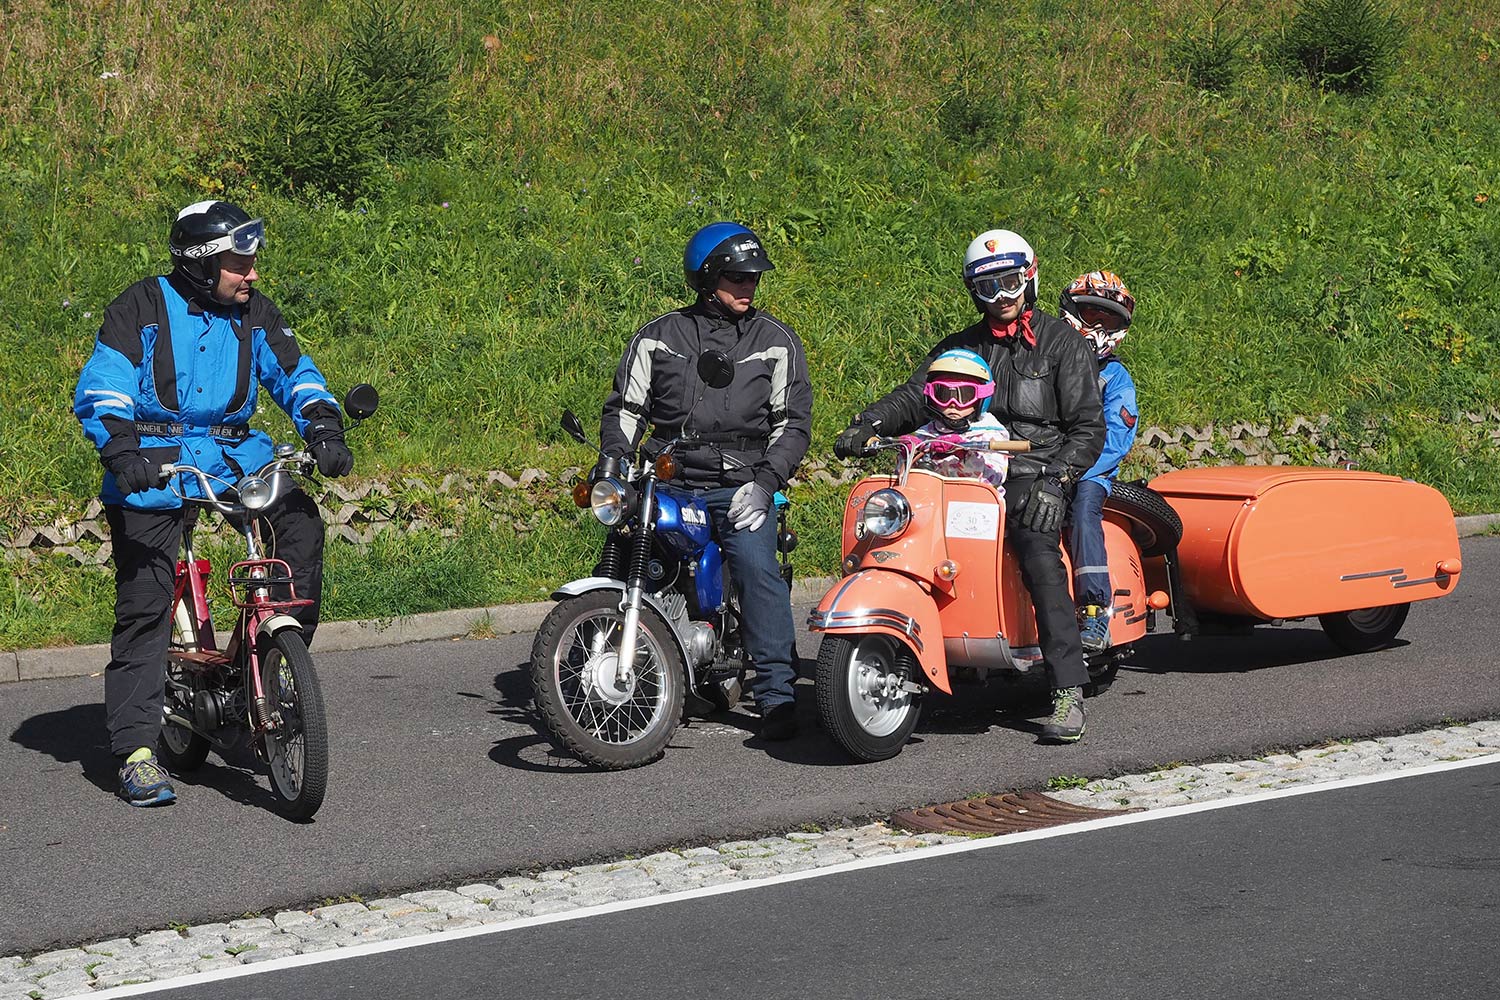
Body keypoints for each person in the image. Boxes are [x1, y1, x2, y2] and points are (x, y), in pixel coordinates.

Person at [74, 200, 355, 806]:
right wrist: (122, 451)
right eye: (238, 262)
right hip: (154, 462)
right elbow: (105, 385)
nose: (251, 273)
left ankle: (272, 667)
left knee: (300, 522)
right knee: (145, 602)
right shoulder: (142, 306)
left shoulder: (256, 313)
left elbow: (295, 374)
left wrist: (322, 426)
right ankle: (137, 750)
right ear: (202, 263)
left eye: (252, 261)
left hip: (235, 457)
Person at [834, 229, 1104, 743]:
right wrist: (866, 424)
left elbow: (1089, 427)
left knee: (1038, 550)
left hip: (1032, 473)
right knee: (897, 536)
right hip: (953, 469)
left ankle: (1068, 687)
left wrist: (1058, 478)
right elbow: (914, 397)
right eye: (987, 287)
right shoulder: (959, 347)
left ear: (1030, 277)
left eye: (1009, 282)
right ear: (972, 291)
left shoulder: (1063, 344)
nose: (1001, 297)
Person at [598, 222, 812, 741]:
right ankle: (616, 658)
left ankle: (778, 693)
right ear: (708, 276)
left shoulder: (775, 341)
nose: (749, 287)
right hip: (667, 476)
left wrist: (764, 484)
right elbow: (627, 408)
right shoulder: (659, 336)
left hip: (739, 480)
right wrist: (614, 464)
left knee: (757, 566)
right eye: (737, 277)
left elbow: (793, 423)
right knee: (625, 554)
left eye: (754, 278)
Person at [1058, 271, 1139, 653]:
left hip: (1088, 472)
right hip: (1041, 463)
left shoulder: (1116, 377)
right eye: (1091, 315)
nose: (1097, 328)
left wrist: (1071, 471)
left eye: (1107, 321)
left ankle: (1093, 610)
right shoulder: (1046, 359)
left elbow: (1116, 439)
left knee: (1083, 509)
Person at [898, 348, 1011, 490]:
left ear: (982, 397)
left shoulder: (990, 434)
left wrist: (966, 453)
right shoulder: (926, 434)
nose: (952, 403)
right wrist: (907, 456)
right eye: (943, 394)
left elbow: (995, 477)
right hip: (932, 502)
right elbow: (904, 482)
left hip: (975, 503)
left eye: (964, 395)